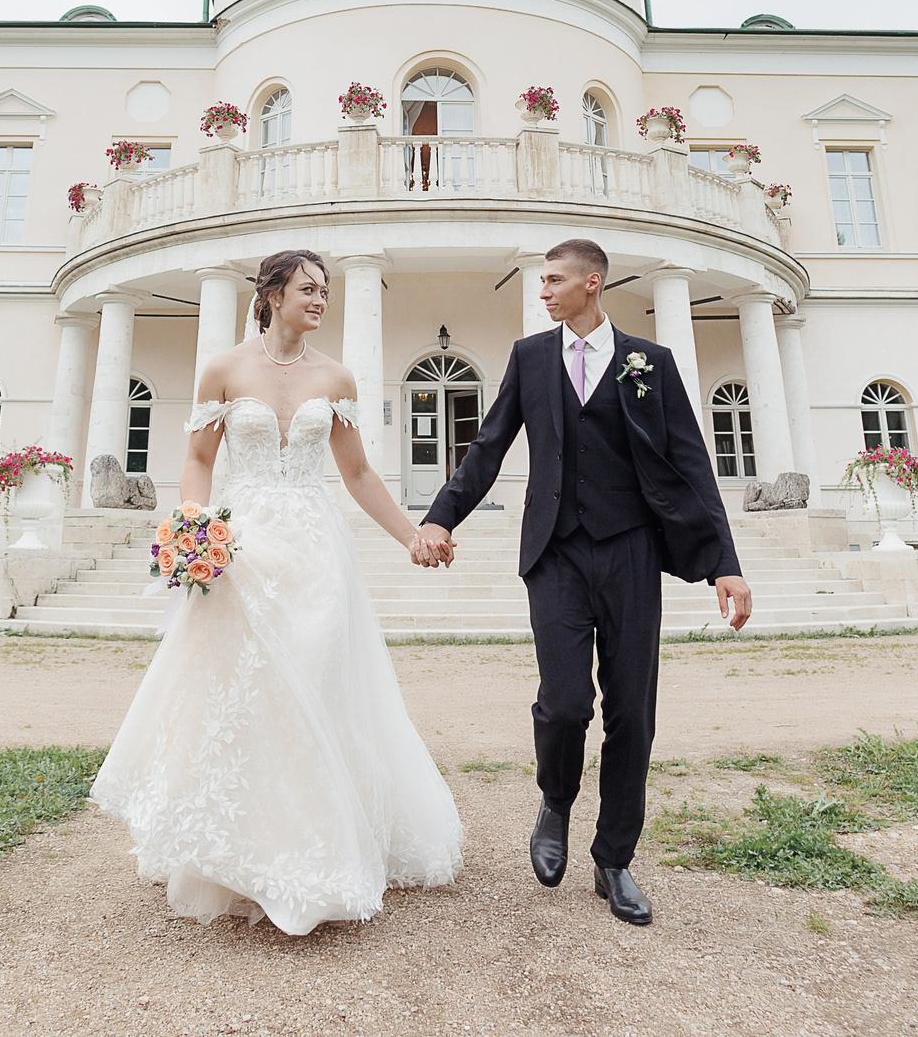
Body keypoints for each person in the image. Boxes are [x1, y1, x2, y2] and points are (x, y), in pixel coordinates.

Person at [91, 249, 465, 932]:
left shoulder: (337, 375)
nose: (320, 300)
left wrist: (413, 534)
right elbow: (199, 459)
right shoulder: (225, 369)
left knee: (316, 683)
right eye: (308, 289)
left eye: (325, 290)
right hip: (244, 549)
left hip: (318, 551)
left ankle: (315, 847)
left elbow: (356, 475)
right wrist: (196, 532)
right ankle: (239, 848)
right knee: (248, 690)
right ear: (272, 293)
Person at [413, 238, 750, 926]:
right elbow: (488, 445)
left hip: (630, 551)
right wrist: (441, 517)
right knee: (565, 703)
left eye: (555, 279)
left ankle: (614, 858)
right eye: (542, 281)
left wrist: (726, 561)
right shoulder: (531, 357)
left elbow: (690, 459)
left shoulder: (647, 361)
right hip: (557, 552)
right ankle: (556, 798)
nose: (543, 291)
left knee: (633, 709)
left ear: (592, 283)